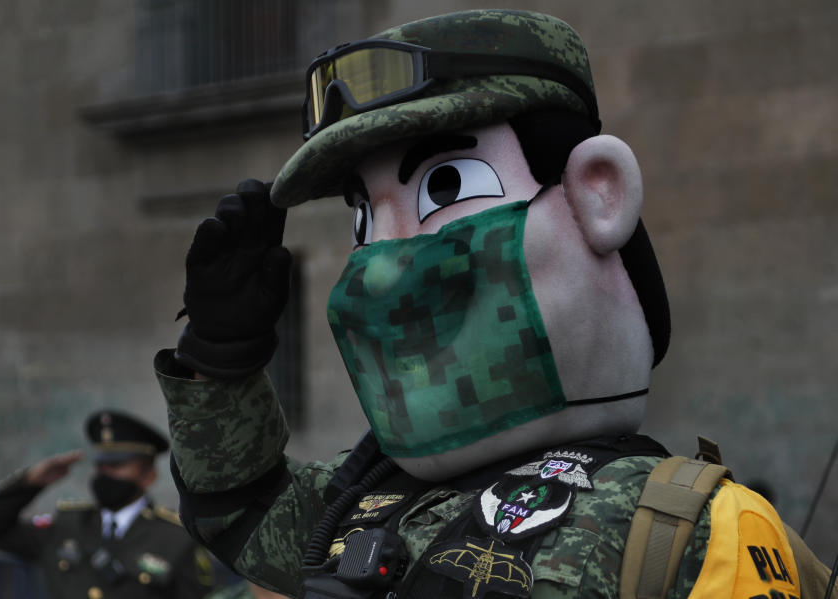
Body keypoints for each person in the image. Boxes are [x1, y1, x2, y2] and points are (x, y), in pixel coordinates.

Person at [154, 9, 832, 599]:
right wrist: (221, 360)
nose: (381, 269)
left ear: (598, 192)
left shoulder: (687, 526)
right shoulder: (360, 499)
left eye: (443, 187)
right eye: (361, 218)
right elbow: (238, 510)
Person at [0, 409, 217, 599]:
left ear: (148, 475)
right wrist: (27, 483)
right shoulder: (66, 525)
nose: (105, 474)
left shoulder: (176, 539)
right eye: (101, 465)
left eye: (117, 466)